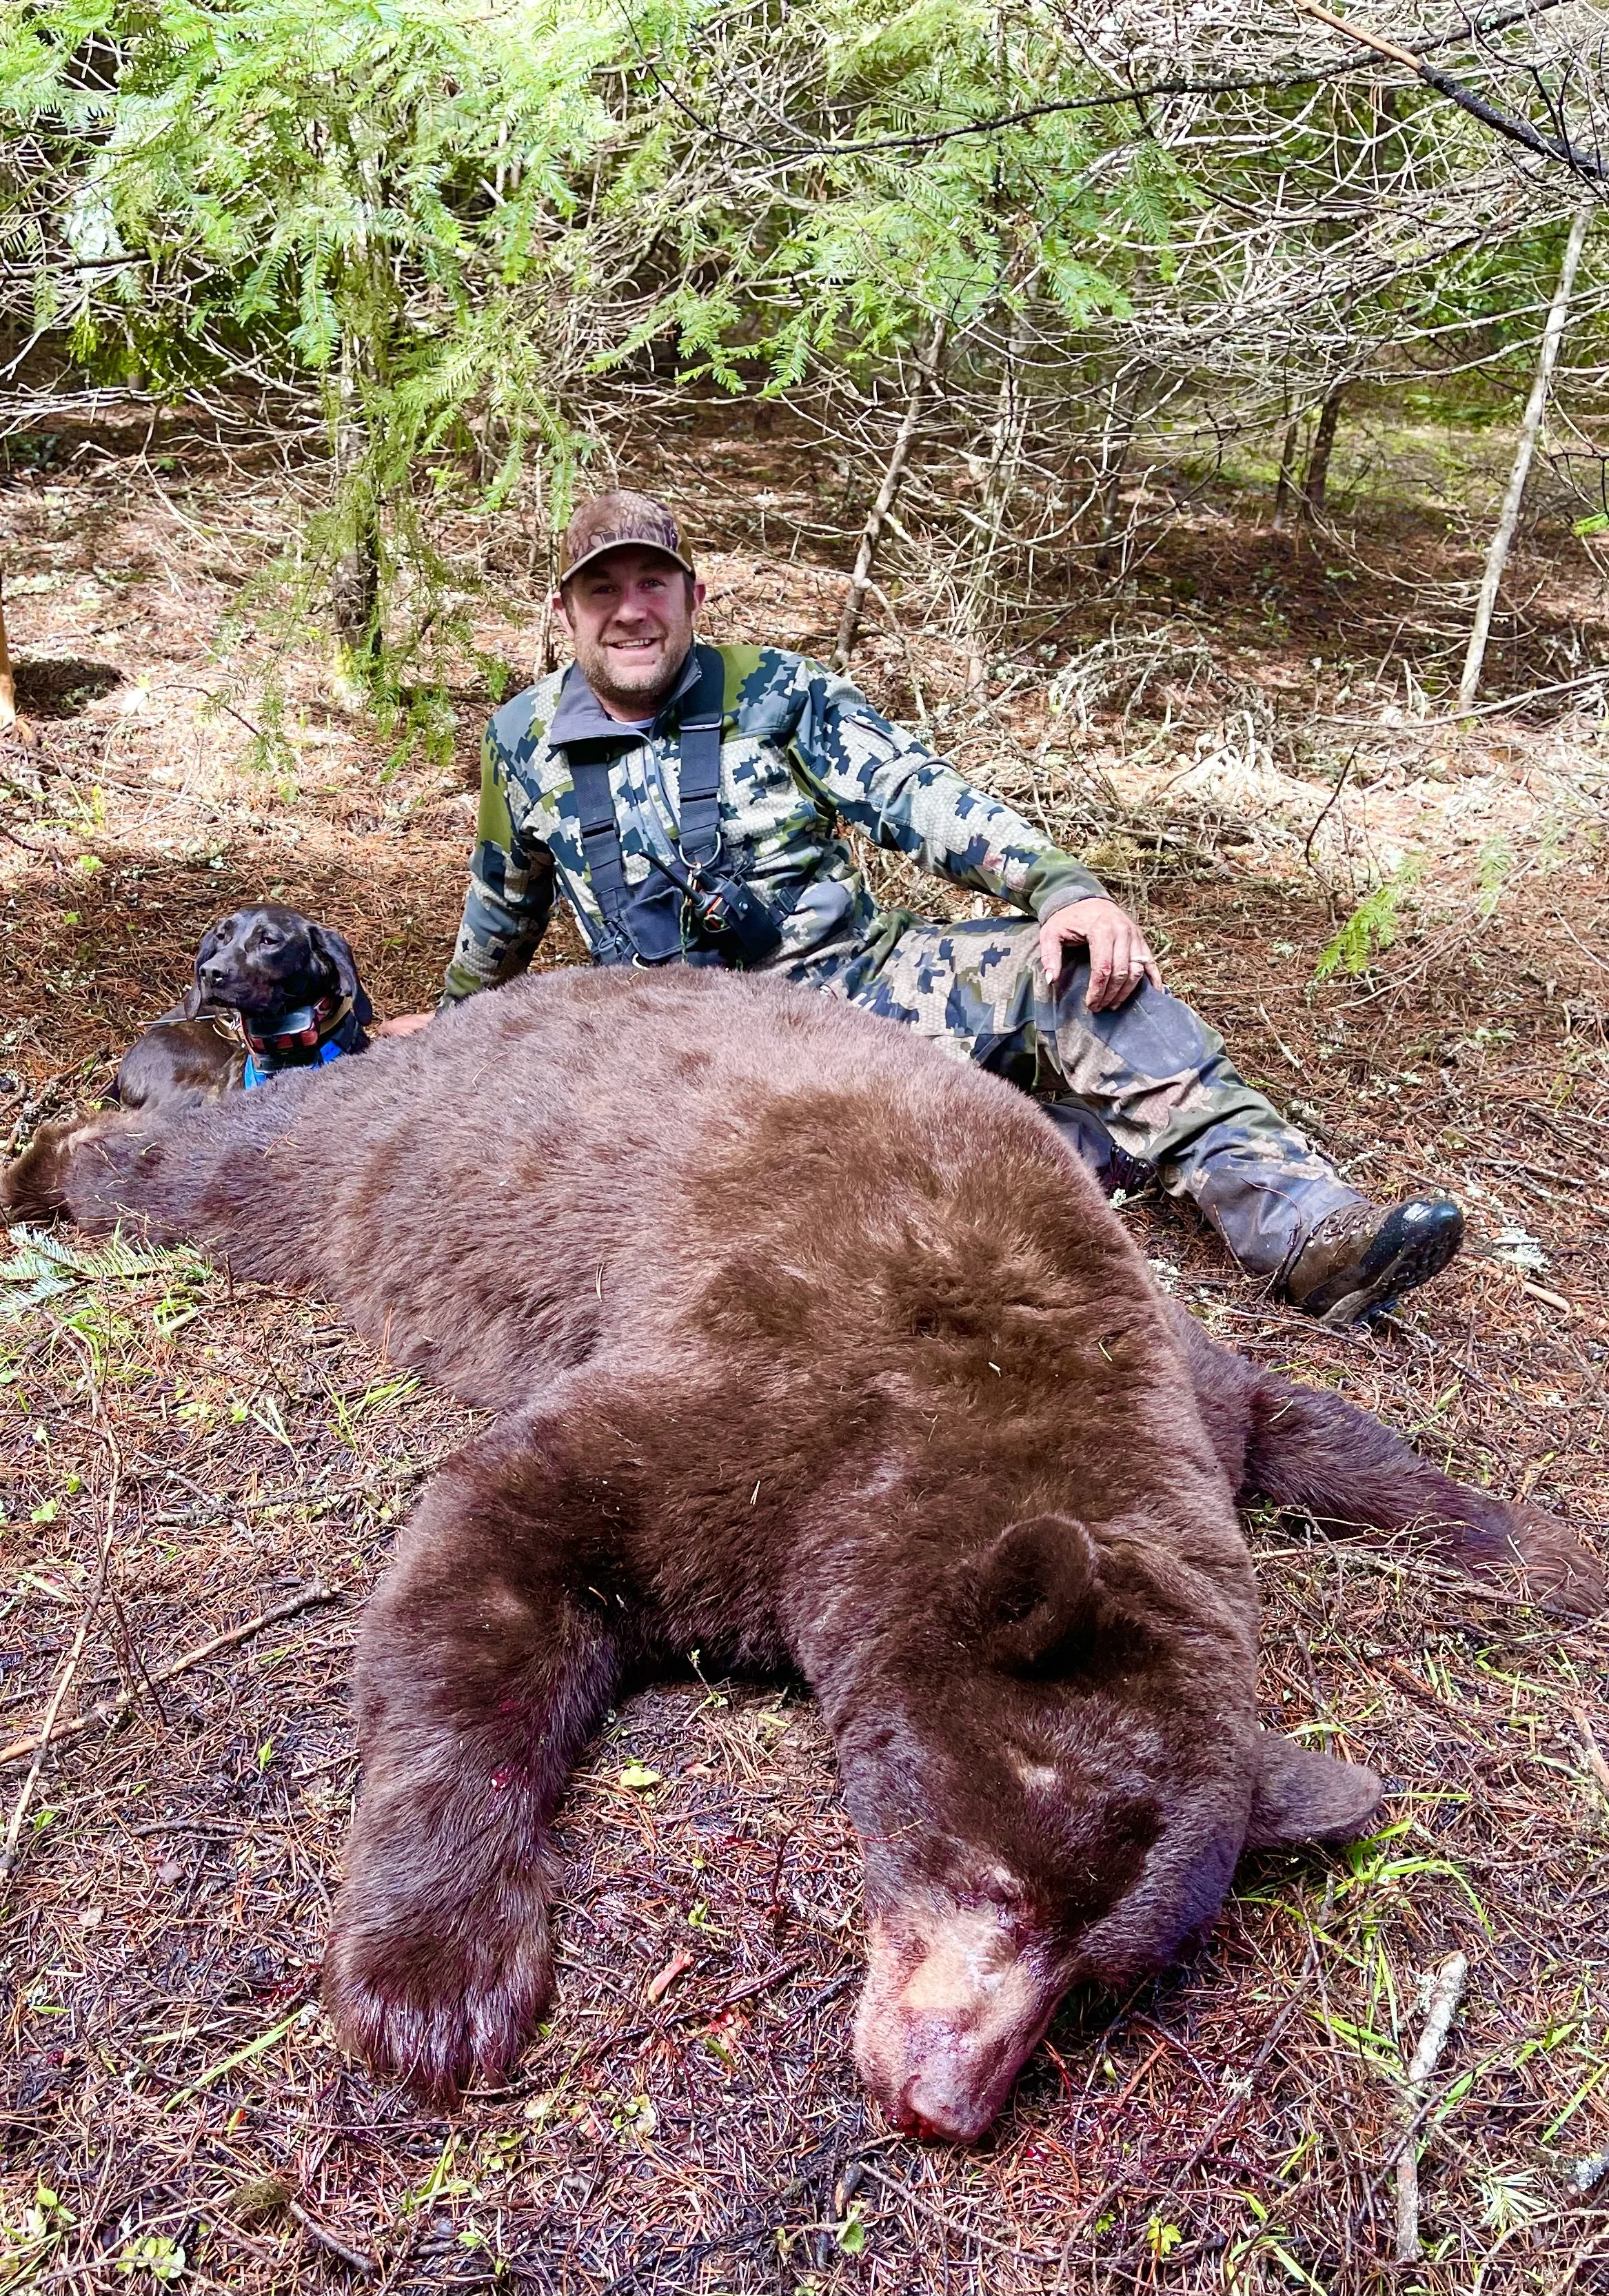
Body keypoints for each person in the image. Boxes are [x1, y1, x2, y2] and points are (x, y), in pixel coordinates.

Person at [382, 489, 1463, 1325]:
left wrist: (1060, 886)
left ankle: (1306, 1231)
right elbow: (500, 913)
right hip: (681, 1062)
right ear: (566, 611)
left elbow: (918, 798)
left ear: (691, 598)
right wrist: (451, 1028)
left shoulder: (776, 692)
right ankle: (1072, 1151)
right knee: (813, 1211)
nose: (630, 610)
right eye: (602, 589)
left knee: (1081, 976)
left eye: (651, 584)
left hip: (857, 988)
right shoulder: (519, 742)